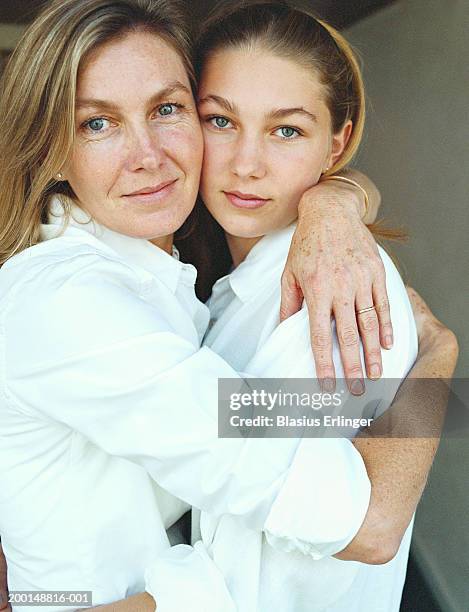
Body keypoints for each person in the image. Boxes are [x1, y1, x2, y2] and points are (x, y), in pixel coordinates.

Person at [0, 0, 397, 610]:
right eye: (96, 123)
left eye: (166, 109)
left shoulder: (175, 269)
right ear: (51, 147)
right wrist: (435, 371)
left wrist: (338, 197)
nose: (148, 155)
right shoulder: (69, 301)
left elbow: (245, 415)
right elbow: (356, 520)